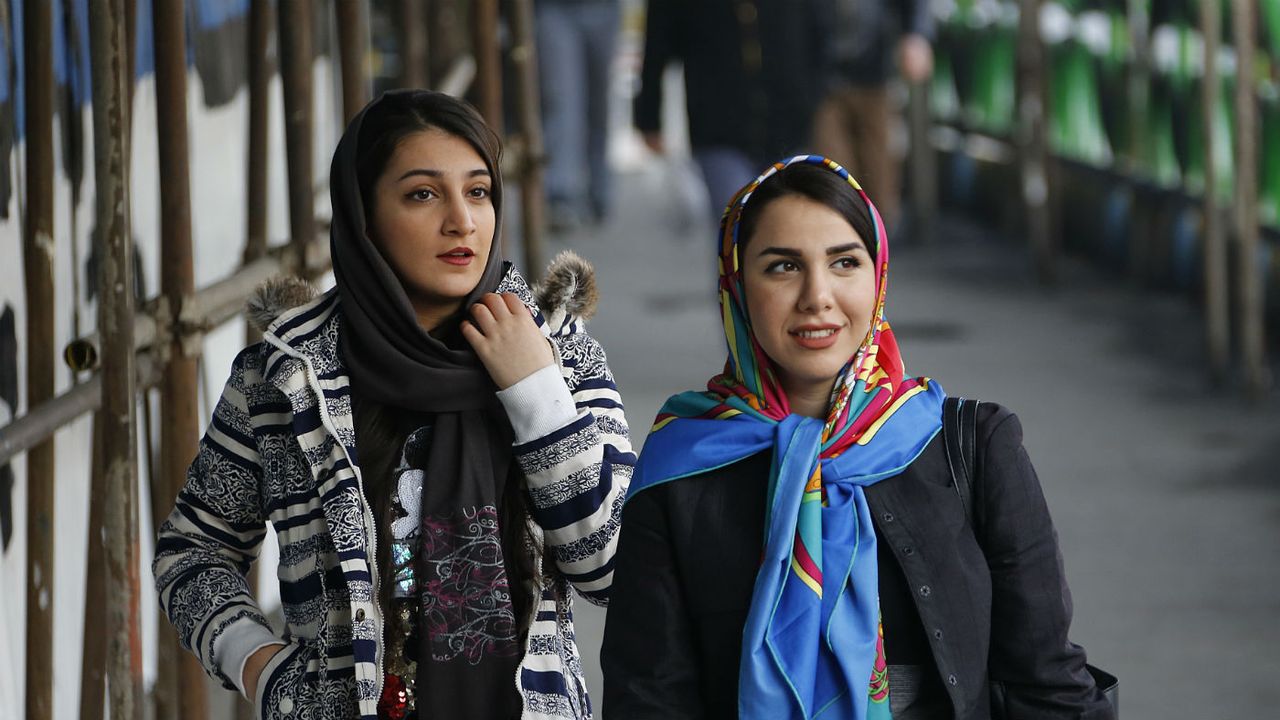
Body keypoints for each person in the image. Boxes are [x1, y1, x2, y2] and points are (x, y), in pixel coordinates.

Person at [154, 90, 634, 720]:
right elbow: (195, 549)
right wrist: (261, 667)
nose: (462, 221)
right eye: (422, 194)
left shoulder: (558, 354)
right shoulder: (287, 378)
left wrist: (533, 393)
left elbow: (610, 569)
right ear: (362, 215)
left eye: (479, 191)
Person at [600, 155, 1114, 719]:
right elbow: (649, 699)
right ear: (736, 286)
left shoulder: (973, 445)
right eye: (782, 267)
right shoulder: (682, 466)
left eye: (844, 262)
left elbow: (1044, 683)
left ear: (878, 275)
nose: (817, 296)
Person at [634, 0, 829, 221]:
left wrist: (813, 99)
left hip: (788, 124)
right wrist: (649, 119)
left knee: (785, 228)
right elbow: (658, 42)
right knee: (736, 224)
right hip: (718, 126)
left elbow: (820, 33)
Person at [812, 0, 935, 233]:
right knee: (833, 179)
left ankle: (877, 251)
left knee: (878, 178)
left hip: (875, 71)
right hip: (824, 76)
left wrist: (917, 35)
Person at [535, 0, 621, 231]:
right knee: (561, 100)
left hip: (605, 8)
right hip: (555, 9)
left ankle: (599, 192)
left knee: (599, 105)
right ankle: (561, 195)